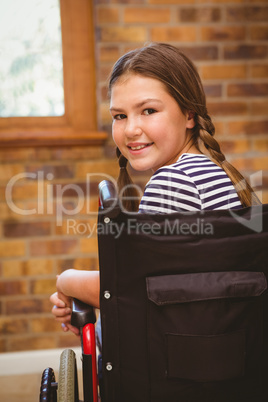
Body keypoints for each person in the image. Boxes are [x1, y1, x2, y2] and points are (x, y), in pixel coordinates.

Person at [50, 42, 260, 334]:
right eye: (119, 116)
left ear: (189, 114)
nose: (131, 129)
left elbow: (128, 293)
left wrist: (66, 281)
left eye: (148, 110)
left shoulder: (173, 183)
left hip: (177, 360)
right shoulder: (212, 173)